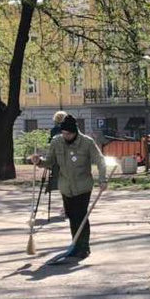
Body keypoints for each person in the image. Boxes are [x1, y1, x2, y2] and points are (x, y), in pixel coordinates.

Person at [29, 115, 107, 262]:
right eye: (64, 133)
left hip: (83, 185)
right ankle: (75, 245)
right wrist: (39, 161)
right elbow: (50, 161)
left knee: (81, 216)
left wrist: (102, 179)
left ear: (75, 132)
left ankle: (83, 247)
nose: (66, 136)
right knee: (71, 216)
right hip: (65, 186)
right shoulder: (56, 141)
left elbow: (100, 160)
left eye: (68, 134)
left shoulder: (87, 143)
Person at [46, 111, 66, 195]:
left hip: (57, 157)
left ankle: (55, 184)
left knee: (55, 172)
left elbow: (51, 143)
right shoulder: (69, 129)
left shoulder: (54, 130)